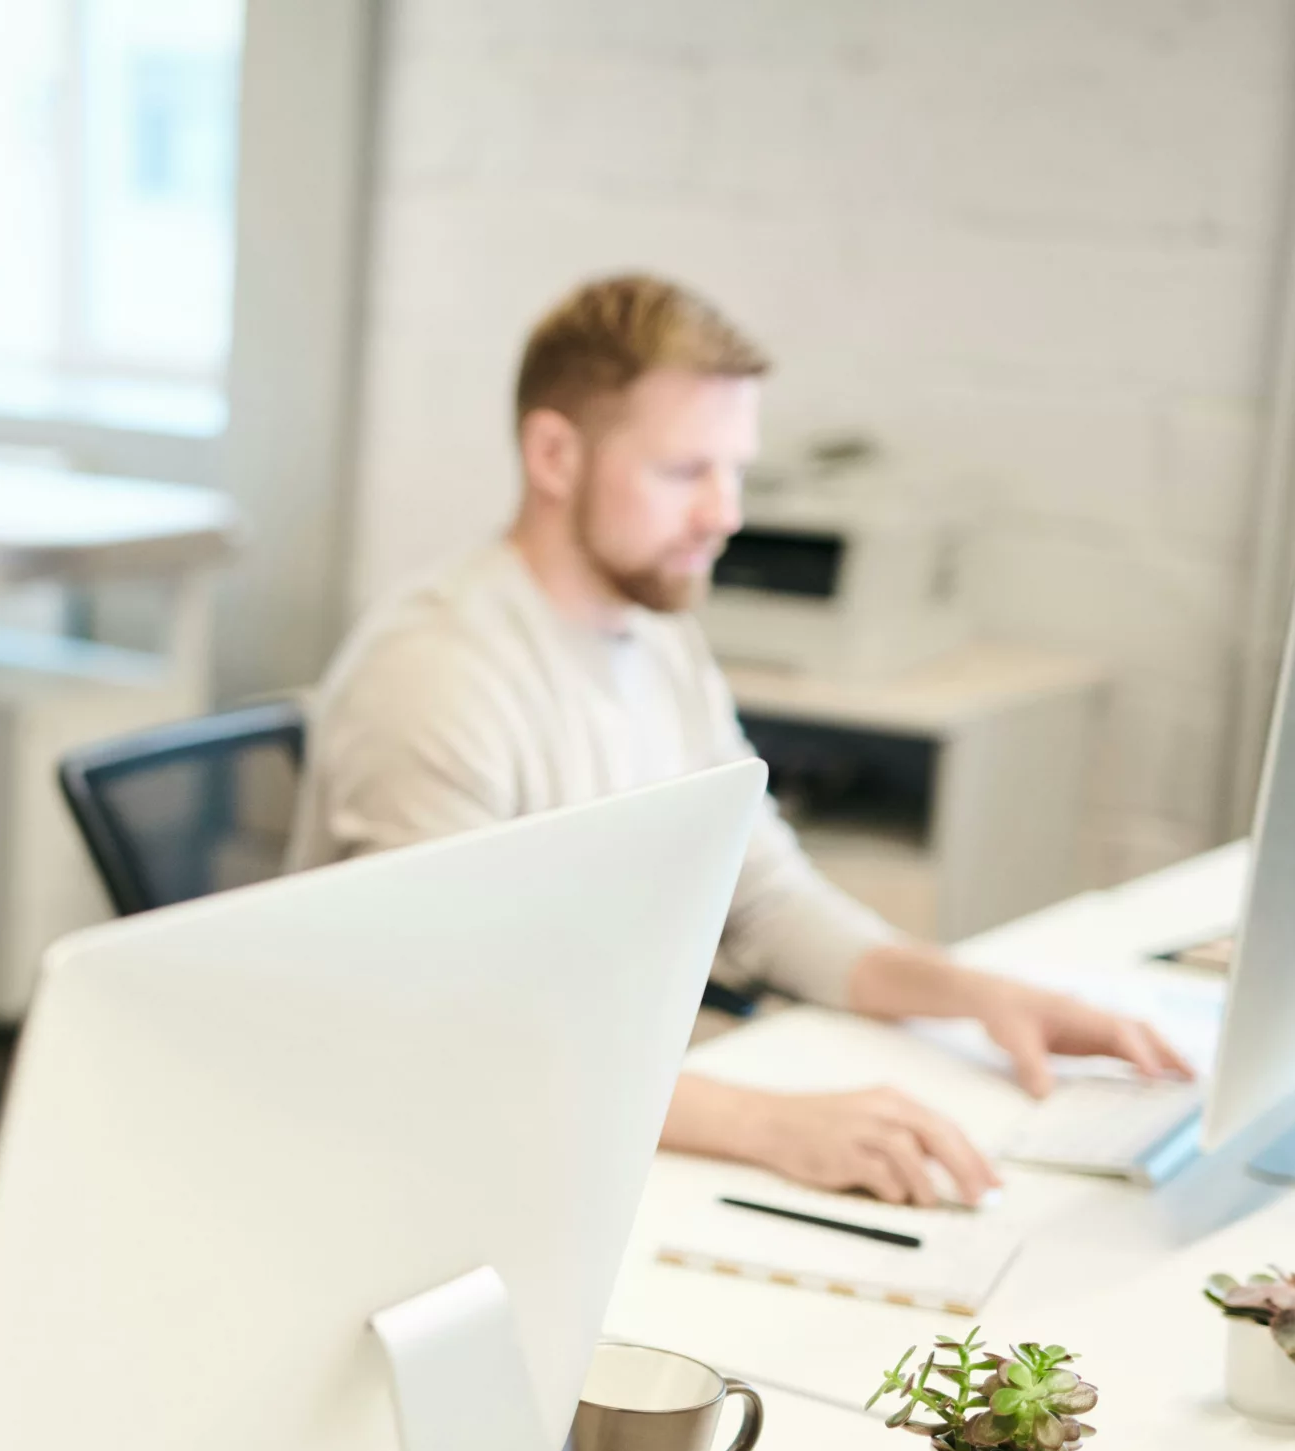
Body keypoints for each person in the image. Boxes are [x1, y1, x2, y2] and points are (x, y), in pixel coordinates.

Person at [291, 273, 1187, 1208]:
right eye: (685, 472)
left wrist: (979, 996)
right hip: (447, 1161)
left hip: (597, 1113)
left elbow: (762, 898)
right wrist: (772, 1127)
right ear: (554, 454)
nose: (725, 514)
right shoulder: (438, 673)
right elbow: (455, 1031)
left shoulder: (657, 634)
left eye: (736, 472)